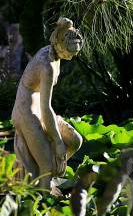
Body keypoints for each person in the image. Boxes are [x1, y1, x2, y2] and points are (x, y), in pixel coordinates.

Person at [12, 17, 83, 187]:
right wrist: (58, 142)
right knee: (46, 167)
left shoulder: (52, 53)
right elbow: (46, 108)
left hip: (38, 108)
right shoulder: (47, 66)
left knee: (75, 140)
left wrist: (59, 143)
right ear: (59, 45)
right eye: (69, 53)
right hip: (27, 112)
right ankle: (43, 201)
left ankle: (50, 181)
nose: (71, 58)